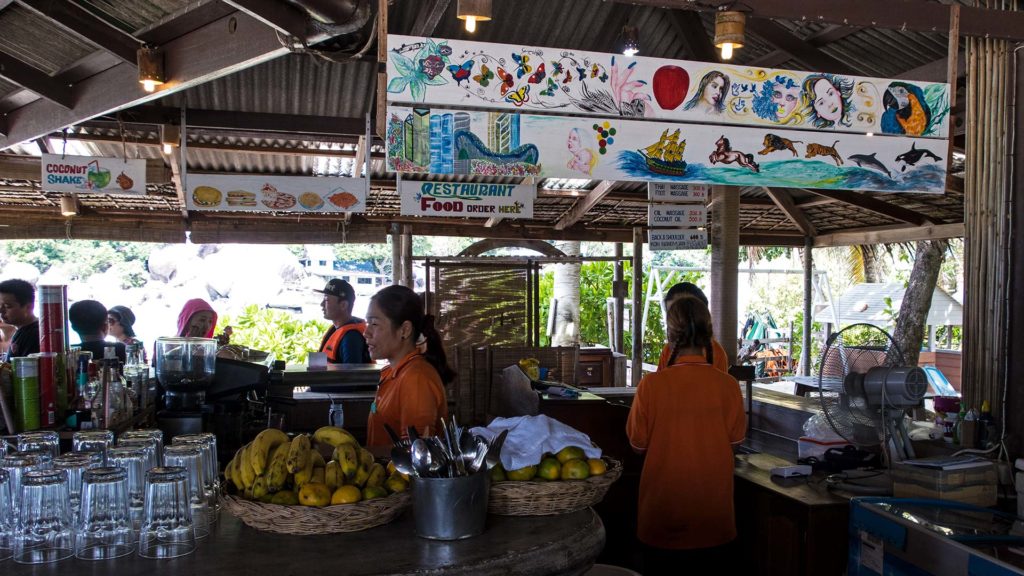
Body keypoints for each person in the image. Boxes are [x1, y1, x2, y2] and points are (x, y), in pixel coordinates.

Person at [626, 296, 746, 575]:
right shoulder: (728, 386)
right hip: (714, 518)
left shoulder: (651, 385)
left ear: (670, 335)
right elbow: (735, 443)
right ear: (709, 332)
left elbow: (637, 445)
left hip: (662, 514)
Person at [363, 285, 454, 447]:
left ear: (404, 330)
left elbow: (418, 454)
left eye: (374, 324)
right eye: (367, 323)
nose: (366, 332)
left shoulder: (416, 379)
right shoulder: (394, 372)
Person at [656, 282, 728, 373]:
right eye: (671, 313)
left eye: (680, 312)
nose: (674, 318)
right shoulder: (667, 351)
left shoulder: (717, 353)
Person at [314, 279, 370, 364]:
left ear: (343, 305)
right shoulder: (335, 329)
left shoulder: (351, 337)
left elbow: (352, 375)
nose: (321, 304)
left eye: (326, 300)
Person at [0, 278, 39, 360]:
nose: (1, 310)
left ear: (29, 307)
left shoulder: (35, 334)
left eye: (7, 306)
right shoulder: (22, 330)